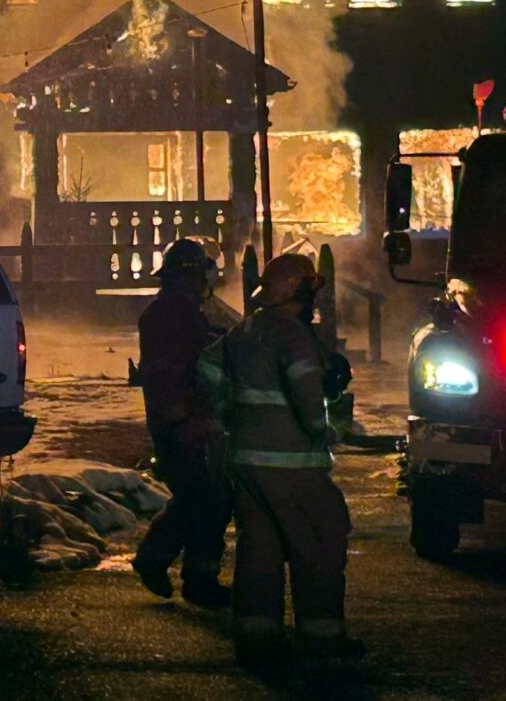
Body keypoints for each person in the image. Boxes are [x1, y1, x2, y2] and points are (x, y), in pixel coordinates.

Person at [199, 251, 362, 667]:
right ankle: (321, 638)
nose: (313, 301)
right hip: (292, 464)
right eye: (310, 290)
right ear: (297, 290)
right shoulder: (293, 336)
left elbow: (207, 370)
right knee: (321, 541)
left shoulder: (243, 331)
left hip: (246, 463)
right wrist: (323, 428)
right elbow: (308, 394)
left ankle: (257, 641)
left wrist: (228, 412)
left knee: (260, 551)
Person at [130, 237, 239, 606]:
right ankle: (166, 565)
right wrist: (185, 423)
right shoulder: (171, 315)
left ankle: (190, 575)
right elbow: (176, 372)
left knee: (206, 498)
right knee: (204, 498)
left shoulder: (178, 312)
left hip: (186, 421)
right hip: (181, 424)